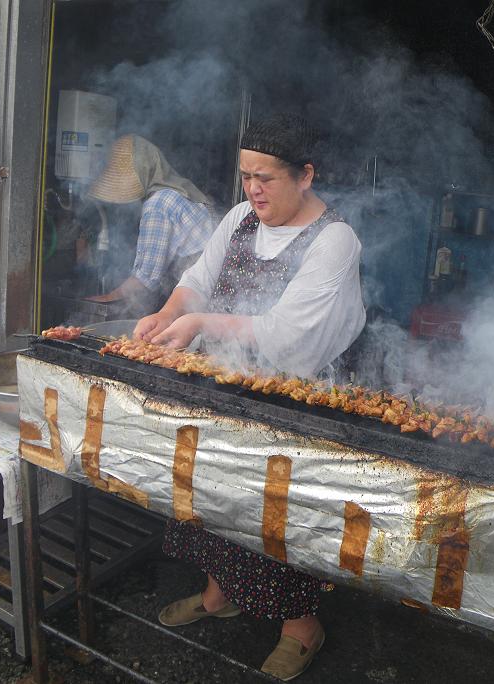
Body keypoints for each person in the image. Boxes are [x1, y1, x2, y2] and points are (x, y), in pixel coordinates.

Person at [134, 113, 366, 680]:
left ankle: (301, 627)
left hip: (298, 396)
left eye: (266, 178)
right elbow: (199, 277)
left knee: (279, 513)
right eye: (245, 177)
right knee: (211, 490)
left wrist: (198, 326)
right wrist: (168, 313)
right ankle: (220, 594)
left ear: (305, 176)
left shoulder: (335, 240)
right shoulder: (240, 219)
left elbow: (288, 336)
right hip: (229, 386)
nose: (253, 190)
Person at [84, 135, 214, 312]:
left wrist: (107, 299)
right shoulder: (175, 193)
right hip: (210, 292)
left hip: (201, 295)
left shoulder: (158, 204)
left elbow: (145, 278)